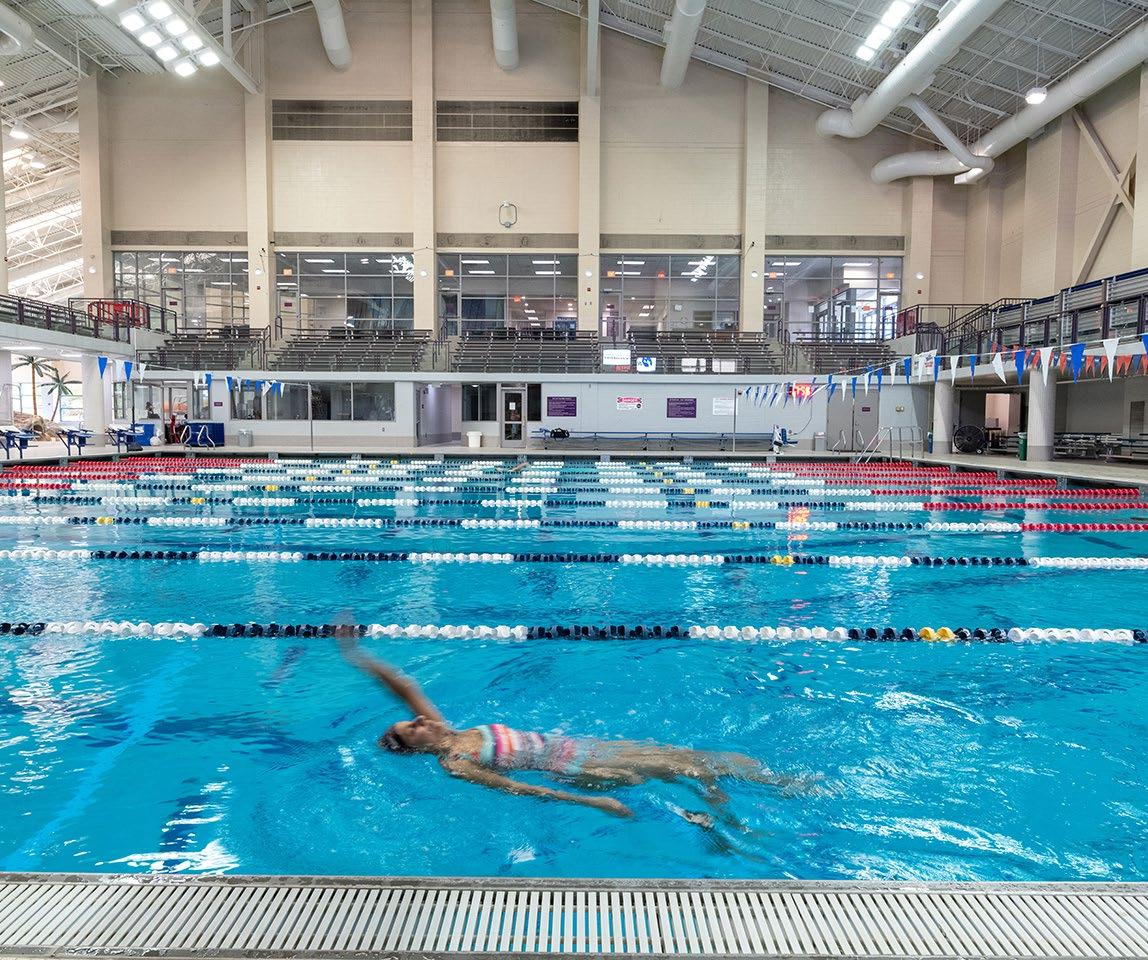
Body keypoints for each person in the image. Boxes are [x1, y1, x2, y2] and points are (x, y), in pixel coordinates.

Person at [338, 631, 803, 818]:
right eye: (413, 728)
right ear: (418, 747)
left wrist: (356, 654)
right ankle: (728, 810)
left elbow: (404, 686)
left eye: (414, 719)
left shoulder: (451, 729)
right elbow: (520, 789)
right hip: (577, 769)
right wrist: (589, 801)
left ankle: (761, 786)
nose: (420, 718)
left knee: (687, 757)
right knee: (679, 767)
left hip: (581, 745)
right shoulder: (456, 762)